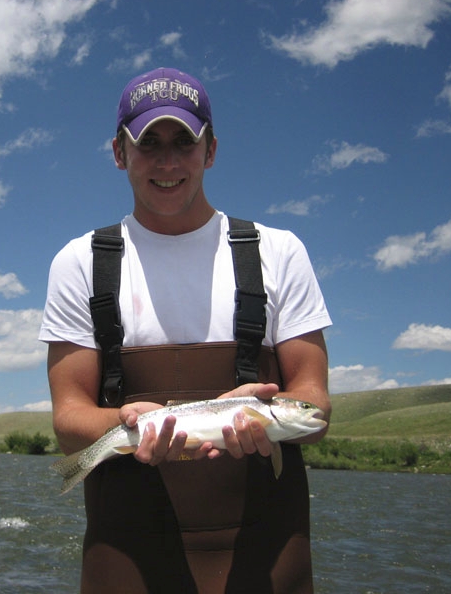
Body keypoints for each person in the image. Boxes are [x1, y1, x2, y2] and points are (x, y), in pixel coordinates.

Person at [40, 67, 332, 594]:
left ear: (211, 150)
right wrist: (128, 424)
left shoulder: (279, 252)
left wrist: (271, 415)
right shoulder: (80, 262)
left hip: (267, 558)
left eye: (185, 142)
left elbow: (315, 404)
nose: (168, 161)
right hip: (125, 557)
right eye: (148, 142)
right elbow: (68, 419)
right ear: (119, 152)